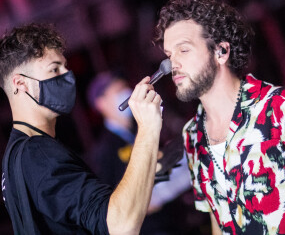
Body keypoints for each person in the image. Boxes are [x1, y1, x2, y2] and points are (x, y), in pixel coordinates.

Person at [154, 0, 285, 234]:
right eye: (170, 55)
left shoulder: (280, 106)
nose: (172, 65)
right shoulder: (191, 135)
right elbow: (216, 216)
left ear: (221, 51)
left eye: (184, 50)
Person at [0, 23, 163, 235]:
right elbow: (120, 225)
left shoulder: (14, 158)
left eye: (65, 67)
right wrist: (148, 128)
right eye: (54, 69)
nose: (67, 75)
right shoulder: (38, 154)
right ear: (20, 84)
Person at [86, 71, 191, 234]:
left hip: (172, 221)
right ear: (101, 103)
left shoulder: (140, 128)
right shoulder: (104, 151)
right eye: (118, 90)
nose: (126, 94)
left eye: (125, 88)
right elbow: (109, 205)